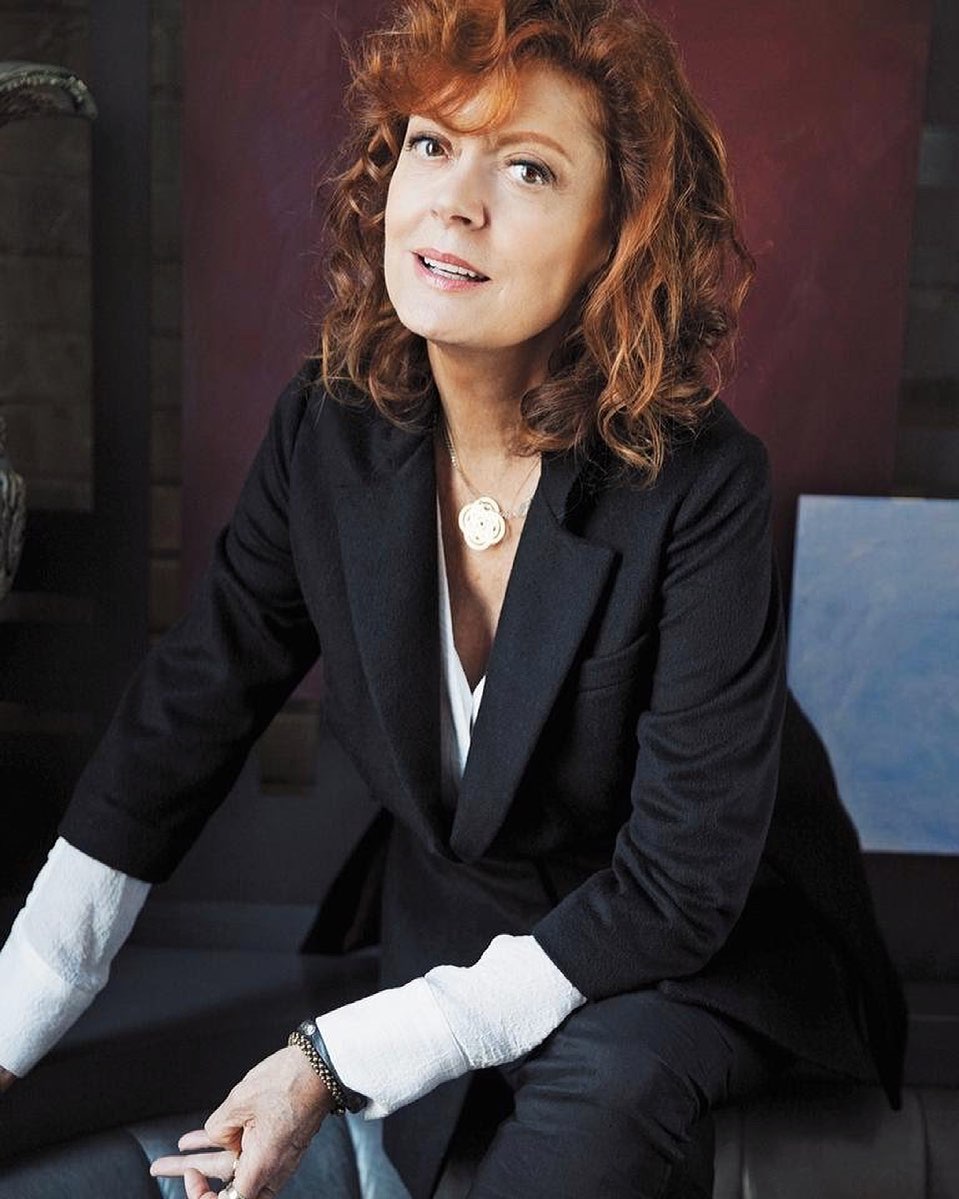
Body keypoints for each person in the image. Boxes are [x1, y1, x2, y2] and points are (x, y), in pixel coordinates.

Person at [0, 1, 907, 1197]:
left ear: (615, 235)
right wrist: (13, 1016)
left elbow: (679, 882)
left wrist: (333, 1058)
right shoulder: (325, 427)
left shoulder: (700, 483)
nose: (453, 203)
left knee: (608, 1080)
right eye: (431, 145)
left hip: (700, 941)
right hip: (458, 927)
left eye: (526, 168)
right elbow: (188, 712)